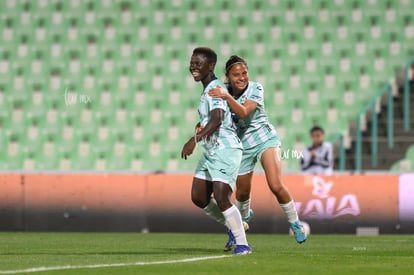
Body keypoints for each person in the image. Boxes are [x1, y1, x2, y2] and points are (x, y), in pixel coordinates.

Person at [208, 55, 307, 249]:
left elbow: (245, 112)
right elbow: (214, 116)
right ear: (228, 76)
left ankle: (295, 223)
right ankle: (241, 226)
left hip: (265, 139)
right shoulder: (223, 93)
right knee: (242, 192)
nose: (242, 77)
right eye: (236, 74)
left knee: (275, 184)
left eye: (244, 73)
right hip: (242, 146)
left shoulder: (255, 88)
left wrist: (227, 97)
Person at [181, 47, 251, 255]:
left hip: (226, 149)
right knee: (199, 197)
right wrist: (200, 127)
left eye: (198, 63)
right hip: (212, 150)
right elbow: (212, 118)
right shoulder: (208, 90)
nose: (193, 66)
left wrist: (194, 140)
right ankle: (232, 225)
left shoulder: (215, 88)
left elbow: (218, 119)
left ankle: (242, 244)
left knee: (221, 197)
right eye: (192, 62)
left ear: (210, 66)